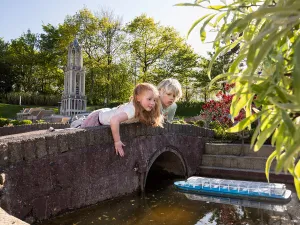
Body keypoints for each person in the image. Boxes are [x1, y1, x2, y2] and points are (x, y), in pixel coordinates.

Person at [74, 83, 163, 157]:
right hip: (97, 119)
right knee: (79, 132)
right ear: (138, 98)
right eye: (149, 99)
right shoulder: (132, 110)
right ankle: (76, 122)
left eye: (154, 100)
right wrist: (117, 141)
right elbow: (114, 120)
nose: (152, 103)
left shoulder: (140, 107)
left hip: (105, 113)